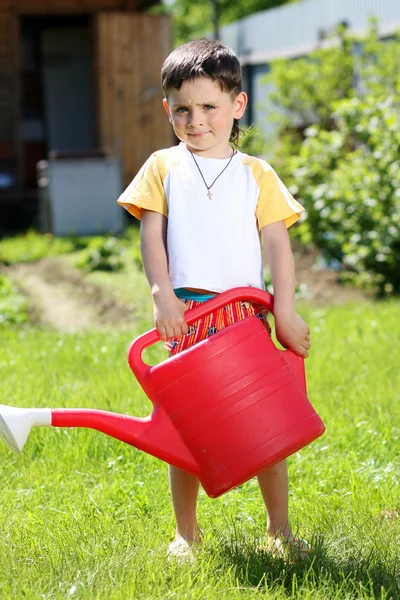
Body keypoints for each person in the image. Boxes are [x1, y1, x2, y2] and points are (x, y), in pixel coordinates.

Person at [117, 38, 311, 562]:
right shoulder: (163, 167)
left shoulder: (257, 174)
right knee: (186, 429)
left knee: (268, 425)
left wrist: (285, 311)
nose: (195, 120)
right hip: (188, 317)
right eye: (182, 108)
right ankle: (187, 532)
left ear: (237, 106)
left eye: (209, 107)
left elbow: (278, 247)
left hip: (245, 317)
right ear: (167, 109)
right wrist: (162, 298)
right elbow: (150, 238)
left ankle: (279, 530)